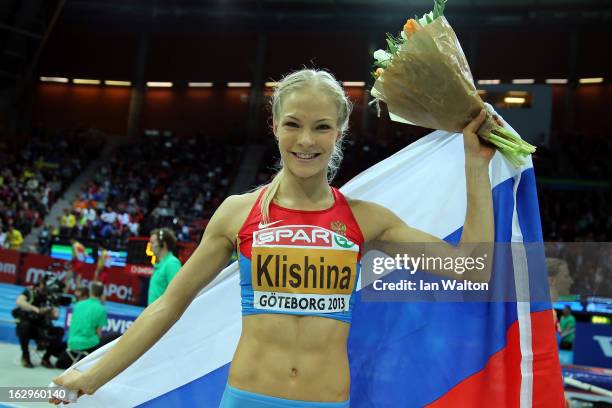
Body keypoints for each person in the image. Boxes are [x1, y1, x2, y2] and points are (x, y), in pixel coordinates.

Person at [52, 69, 495, 406]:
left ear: (339, 132)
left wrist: (476, 167)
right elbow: (170, 304)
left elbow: (476, 271)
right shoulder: (237, 214)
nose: (306, 140)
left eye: (322, 127)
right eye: (293, 124)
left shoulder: (367, 221)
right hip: (248, 397)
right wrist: (93, 375)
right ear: (275, 126)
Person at [56, 282, 108, 369]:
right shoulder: (101, 309)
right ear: (102, 294)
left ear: (90, 292)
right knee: (114, 336)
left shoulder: (78, 305)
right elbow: (99, 334)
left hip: (72, 342)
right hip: (88, 344)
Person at [14, 279, 64, 368]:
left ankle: (46, 358)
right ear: (40, 284)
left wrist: (49, 312)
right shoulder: (30, 291)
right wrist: (36, 310)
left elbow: (56, 316)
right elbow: (19, 302)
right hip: (30, 328)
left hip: (44, 327)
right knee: (24, 326)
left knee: (59, 331)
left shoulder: (51, 296)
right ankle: (25, 355)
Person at [147, 228, 182, 305]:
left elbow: (177, 293)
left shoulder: (172, 263)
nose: (150, 246)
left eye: (153, 243)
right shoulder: (159, 265)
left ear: (163, 244)